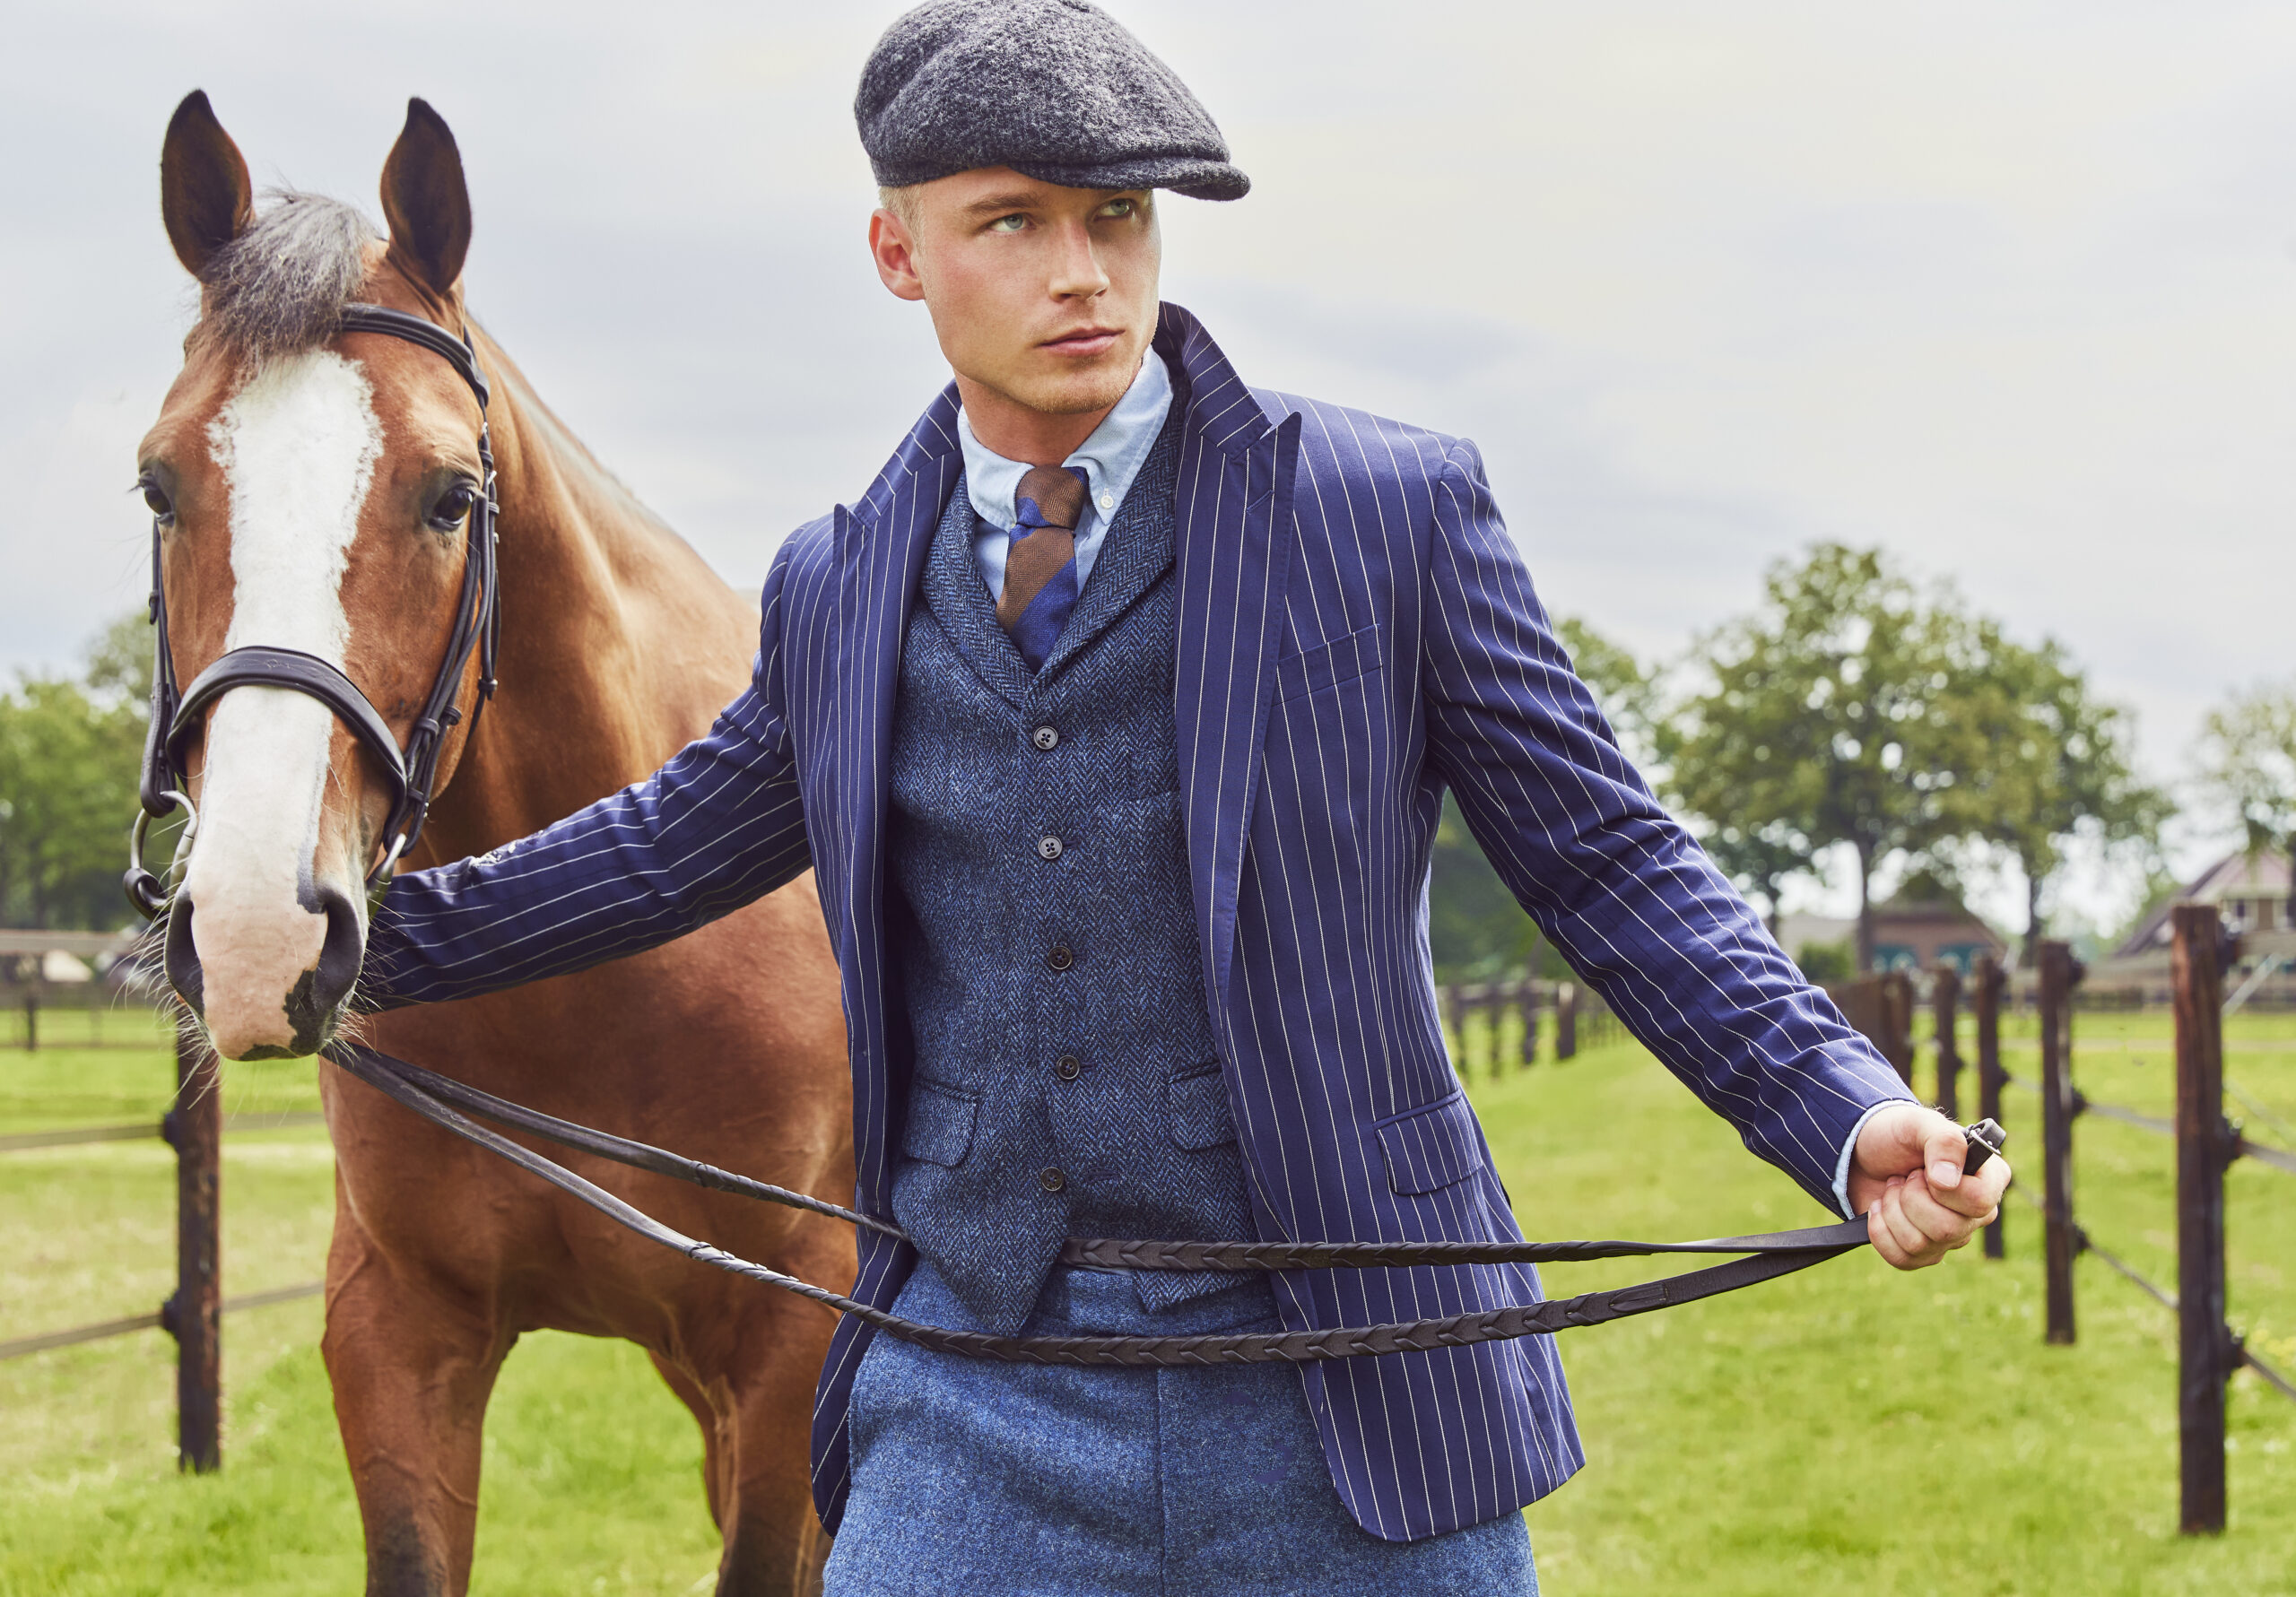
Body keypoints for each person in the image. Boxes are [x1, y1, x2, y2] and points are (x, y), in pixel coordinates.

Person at [361, 2, 2012, 1591]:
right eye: (1010, 222)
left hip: (1359, 1388)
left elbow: (1607, 858)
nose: (1082, 272)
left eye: (1118, 215)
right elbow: (663, 846)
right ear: (897, 254)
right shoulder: (841, 579)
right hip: (971, 1399)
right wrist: (339, 945)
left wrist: (1844, 1109)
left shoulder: (1387, 514)